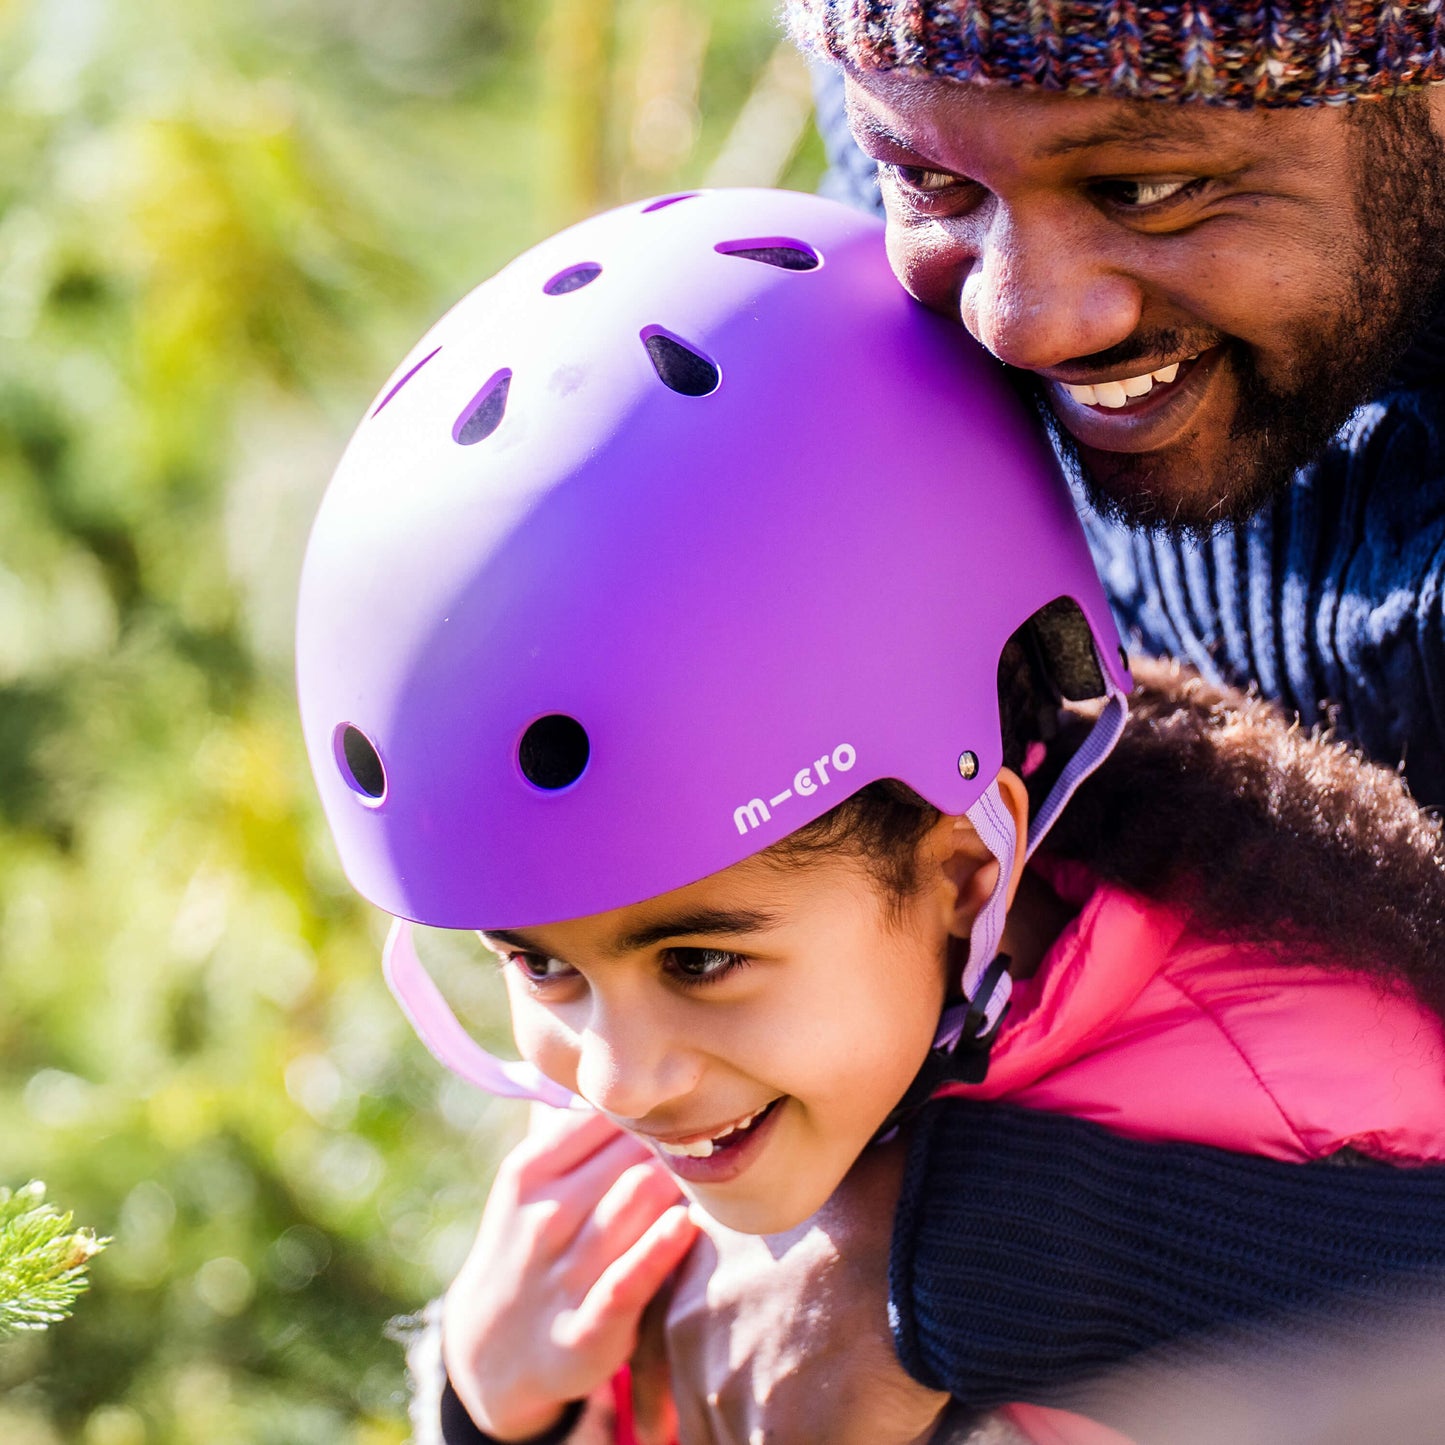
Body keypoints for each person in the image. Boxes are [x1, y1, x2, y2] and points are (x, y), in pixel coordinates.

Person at [294, 188, 1445, 1444]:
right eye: (536, 965)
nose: (618, 1078)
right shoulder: (732, 1075)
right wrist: (491, 1400)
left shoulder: (1284, 1095)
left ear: (965, 867)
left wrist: (981, 1268)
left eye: (699, 958)